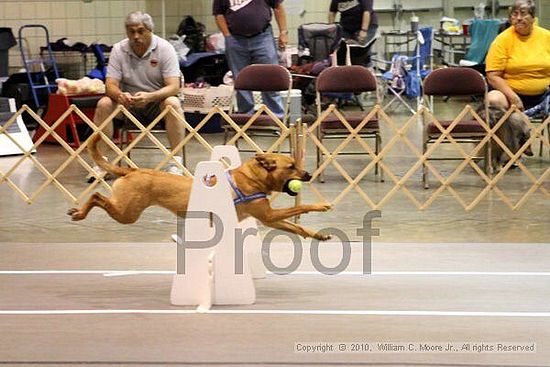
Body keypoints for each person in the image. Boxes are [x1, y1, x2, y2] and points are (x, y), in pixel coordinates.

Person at [90, 11, 185, 180]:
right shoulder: (119, 49)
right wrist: (119, 95)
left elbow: (173, 87)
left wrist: (150, 97)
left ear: (150, 30)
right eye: (131, 31)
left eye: (140, 31)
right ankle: (101, 164)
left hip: (157, 104)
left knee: (173, 103)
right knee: (104, 103)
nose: (135, 36)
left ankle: (176, 162)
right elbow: (110, 85)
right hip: (128, 105)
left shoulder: (165, 48)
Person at [212, 0, 287, 116]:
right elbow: (219, 14)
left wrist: (283, 32)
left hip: (262, 37)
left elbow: (277, 7)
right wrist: (227, 36)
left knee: (269, 77)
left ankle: (276, 118)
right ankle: (246, 118)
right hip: (235, 39)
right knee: (241, 79)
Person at [485, 0, 550, 111]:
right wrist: (514, 98)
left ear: (533, 18)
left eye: (523, 13)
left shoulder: (546, 36)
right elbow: (493, 76)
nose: (519, 18)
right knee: (493, 99)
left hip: (544, 94)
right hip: (510, 94)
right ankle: (509, 128)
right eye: (514, 14)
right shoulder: (501, 40)